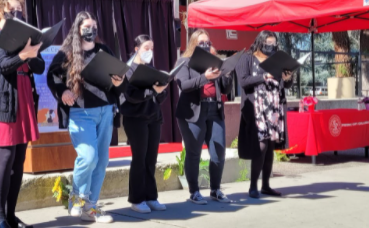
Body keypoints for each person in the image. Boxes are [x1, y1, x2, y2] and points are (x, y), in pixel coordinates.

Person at [46, 11, 125, 223]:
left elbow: (115, 78)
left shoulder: (103, 50)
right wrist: (63, 91)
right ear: (78, 29)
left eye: (94, 27)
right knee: (88, 157)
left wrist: (118, 82)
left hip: (106, 111)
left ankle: (91, 207)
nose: (91, 31)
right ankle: (77, 198)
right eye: (86, 27)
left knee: (101, 161)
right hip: (81, 113)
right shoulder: (67, 53)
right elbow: (52, 76)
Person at [0, 0, 44, 228]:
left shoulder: (25, 34)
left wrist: (33, 52)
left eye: (20, 10)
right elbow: (0, 65)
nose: (16, 13)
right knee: (5, 157)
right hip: (2, 98)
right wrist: (23, 55)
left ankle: (10, 214)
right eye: (12, 10)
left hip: (24, 96)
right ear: (1, 9)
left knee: (19, 159)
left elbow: (38, 67)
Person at [174, 29, 233, 205]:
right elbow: (184, 85)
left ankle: (215, 190)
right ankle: (194, 192)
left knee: (219, 151)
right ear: (193, 44)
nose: (206, 45)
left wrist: (227, 74)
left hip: (215, 109)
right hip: (193, 112)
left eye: (208, 42)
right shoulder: (184, 62)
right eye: (201, 43)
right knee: (194, 153)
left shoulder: (214, 62)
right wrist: (204, 77)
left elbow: (225, 89)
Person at [235, 30, 293, 199]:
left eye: (273, 44)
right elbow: (243, 81)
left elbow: (285, 85)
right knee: (260, 145)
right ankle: (253, 186)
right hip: (256, 107)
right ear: (260, 42)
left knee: (270, 147)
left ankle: (266, 185)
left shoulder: (277, 60)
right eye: (268, 44)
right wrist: (264, 76)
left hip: (274, 106)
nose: (271, 47)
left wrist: (287, 78)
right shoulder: (247, 58)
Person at [120, 35, 169, 213]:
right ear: (136, 49)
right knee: (139, 159)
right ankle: (137, 199)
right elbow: (130, 95)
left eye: (152, 48)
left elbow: (161, 96)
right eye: (146, 48)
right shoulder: (129, 70)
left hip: (153, 117)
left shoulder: (151, 69)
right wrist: (151, 91)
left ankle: (151, 197)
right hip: (135, 119)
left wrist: (161, 90)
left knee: (151, 160)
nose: (149, 52)